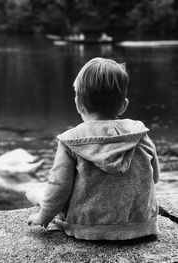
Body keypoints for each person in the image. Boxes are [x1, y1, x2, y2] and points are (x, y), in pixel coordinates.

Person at [26, 57, 159, 240]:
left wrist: (44, 217)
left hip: (86, 226)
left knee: (41, 193)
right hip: (141, 225)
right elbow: (156, 175)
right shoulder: (139, 133)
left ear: (78, 103)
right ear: (123, 105)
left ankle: (36, 197)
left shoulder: (71, 141)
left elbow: (59, 187)